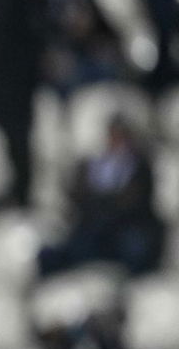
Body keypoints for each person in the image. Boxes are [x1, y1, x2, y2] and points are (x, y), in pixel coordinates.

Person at [38, 117, 166, 278]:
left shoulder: (140, 166)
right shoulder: (90, 165)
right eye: (114, 135)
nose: (118, 141)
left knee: (136, 248)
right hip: (93, 228)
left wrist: (104, 202)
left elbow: (134, 200)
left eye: (122, 136)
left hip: (124, 228)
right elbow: (76, 196)